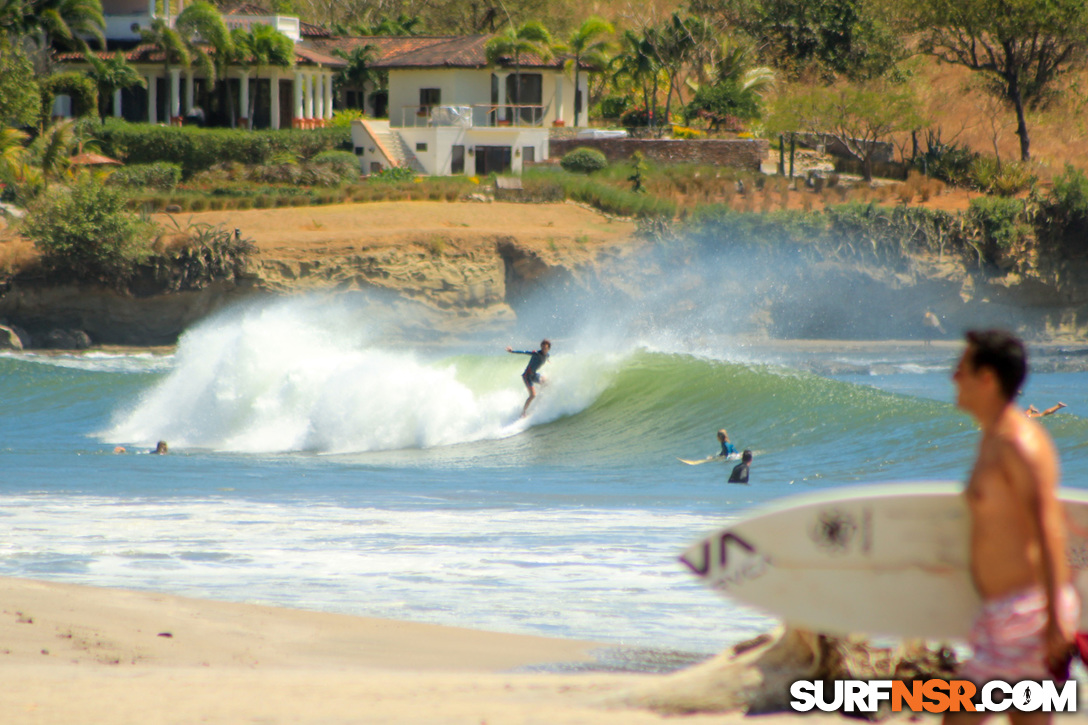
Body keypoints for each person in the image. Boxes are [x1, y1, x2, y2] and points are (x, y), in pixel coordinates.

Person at [947, 329, 1077, 713]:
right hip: (1004, 613)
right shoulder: (994, 439)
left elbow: (1049, 531)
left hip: (1028, 615)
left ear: (986, 378)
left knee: (959, 715)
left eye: (961, 368)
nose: (953, 377)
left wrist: (1054, 623)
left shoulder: (1019, 445)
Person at [506, 339, 550, 417]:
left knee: (546, 383)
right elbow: (525, 352)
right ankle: (523, 412)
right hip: (527, 376)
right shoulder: (536, 353)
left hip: (534, 375)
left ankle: (539, 400)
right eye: (542, 348)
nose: (543, 349)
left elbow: (546, 357)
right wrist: (512, 351)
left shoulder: (547, 355)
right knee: (532, 395)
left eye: (545, 348)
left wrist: (548, 360)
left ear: (548, 349)